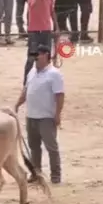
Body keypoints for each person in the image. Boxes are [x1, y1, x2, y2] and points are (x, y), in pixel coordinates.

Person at [15, 44, 65, 184]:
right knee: (34, 147)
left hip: (46, 117)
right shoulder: (31, 71)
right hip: (31, 116)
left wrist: (57, 114)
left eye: (38, 55)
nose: (35, 58)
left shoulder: (54, 74)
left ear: (46, 55)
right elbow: (26, 91)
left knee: (51, 147)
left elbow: (59, 95)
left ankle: (55, 175)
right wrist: (18, 104)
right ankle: (36, 173)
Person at [23, 0, 58, 85]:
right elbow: (31, 9)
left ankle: (45, 82)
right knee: (31, 58)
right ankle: (26, 83)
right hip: (34, 31)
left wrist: (56, 27)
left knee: (47, 58)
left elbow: (52, 12)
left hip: (46, 30)